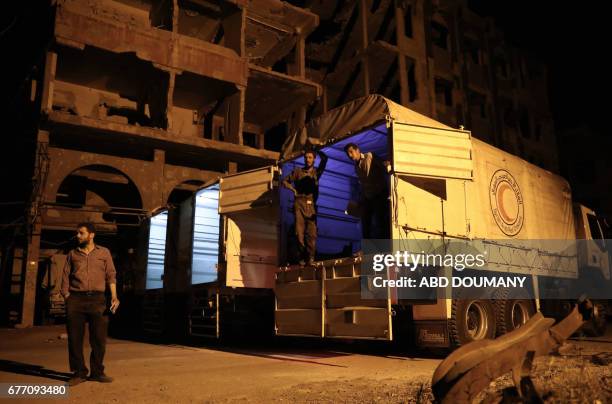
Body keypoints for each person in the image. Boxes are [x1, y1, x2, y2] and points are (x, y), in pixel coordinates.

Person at [61, 222, 119, 386]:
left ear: (91, 235)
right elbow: (65, 277)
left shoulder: (104, 252)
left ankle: (97, 372)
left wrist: (114, 296)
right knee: (74, 338)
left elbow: (111, 275)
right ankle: (79, 373)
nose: (77, 236)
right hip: (76, 299)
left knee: (99, 338)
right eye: (77, 233)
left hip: (97, 299)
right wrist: (67, 296)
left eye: (81, 233)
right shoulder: (72, 254)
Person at [282, 146, 328, 265]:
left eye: (310, 157)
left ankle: (311, 258)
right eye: (306, 157)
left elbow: (325, 159)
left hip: (311, 205)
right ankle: (302, 257)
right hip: (299, 203)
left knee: (311, 234)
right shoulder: (297, 171)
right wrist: (293, 190)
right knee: (299, 233)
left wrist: (317, 149)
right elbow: (284, 181)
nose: (307, 159)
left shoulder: (316, 172)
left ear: (314, 159)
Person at [344, 143, 391, 239]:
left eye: (351, 152)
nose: (349, 155)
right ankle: (368, 247)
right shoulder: (356, 167)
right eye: (347, 153)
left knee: (381, 222)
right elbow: (362, 184)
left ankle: (384, 247)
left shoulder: (369, 156)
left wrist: (387, 165)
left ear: (357, 150)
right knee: (366, 223)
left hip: (379, 194)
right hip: (368, 197)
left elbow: (384, 165)